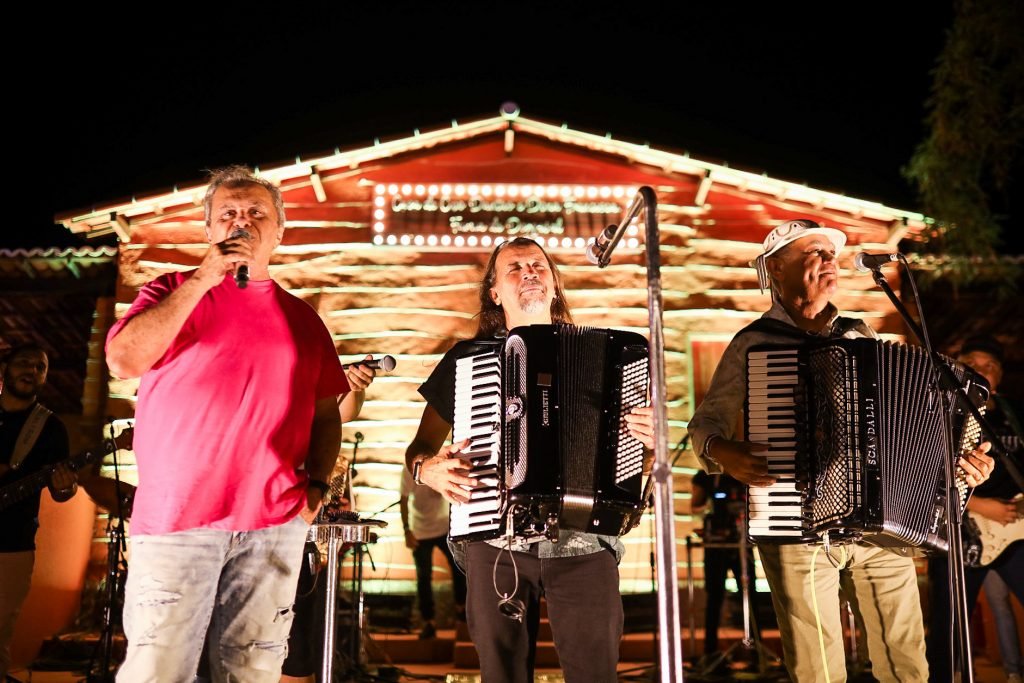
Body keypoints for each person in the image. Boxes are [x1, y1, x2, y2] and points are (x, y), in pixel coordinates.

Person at [687, 219, 995, 683]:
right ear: (776, 268)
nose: (829, 260)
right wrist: (721, 451)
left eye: (831, 253)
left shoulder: (860, 336)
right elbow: (705, 424)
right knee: (817, 668)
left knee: (907, 662)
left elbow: (911, 431)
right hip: (796, 524)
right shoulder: (754, 343)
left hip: (880, 529)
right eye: (814, 252)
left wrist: (959, 466)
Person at [105, 165, 350, 683]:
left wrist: (317, 488)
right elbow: (123, 360)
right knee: (157, 669)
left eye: (256, 212)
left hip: (273, 524)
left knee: (252, 670)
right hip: (177, 519)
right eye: (229, 213)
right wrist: (203, 278)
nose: (242, 221)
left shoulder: (303, 319)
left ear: (278, 231)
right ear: (209, 229)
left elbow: (327, 415)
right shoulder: (170, 291)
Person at [404, 236, 655, 683]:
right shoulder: (466, 361)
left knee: (596, 676)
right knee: (502, 676)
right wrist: (427, 470)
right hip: (494, 542)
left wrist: (649, 444)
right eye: (515, 268)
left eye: (538, 265)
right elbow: (419, 447)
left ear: (554, 284)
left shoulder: (613, 357)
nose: (529, 273)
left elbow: (638, 460)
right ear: (494, 293)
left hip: (585, 542)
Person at [926, 335, 1024, 683]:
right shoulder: (943, 410)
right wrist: (981, 506)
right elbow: (925, 474)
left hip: (1014, 533)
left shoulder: (1015, 413)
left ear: (999, 376)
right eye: (972, 364)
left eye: (989, 366)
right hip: (961, 532)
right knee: (948, 627)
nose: (981, 371)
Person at [281, 359, 376, 683]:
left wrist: (354, 387)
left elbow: (340, 411)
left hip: (299, 531)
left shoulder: (309, 359)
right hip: (248, 525)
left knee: (297, 644)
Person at [0, 344, 78, 679]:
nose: (31, 370)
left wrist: (65, 487)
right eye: (24, 362)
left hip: (12, 545)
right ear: (5, 367)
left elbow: (61, 492)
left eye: (40, 367)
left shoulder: (50, 428)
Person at [689, 470, 761, 662]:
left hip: (742, 543)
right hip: (716, 544)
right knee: (715, 597)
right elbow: (694, 507)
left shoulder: (746, 470)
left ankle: (757, 652)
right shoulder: (705, 476)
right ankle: (711, 652)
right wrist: (711, 507)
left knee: (750, 597)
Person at [399, 458, 467, 640]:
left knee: (459, 567)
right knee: (424, 577)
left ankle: (462, 611)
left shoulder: (441, 462)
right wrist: (407, 530)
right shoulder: (409, 469)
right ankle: (428, 621)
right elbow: (403, 500)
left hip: (444, 527)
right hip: (420, 532)